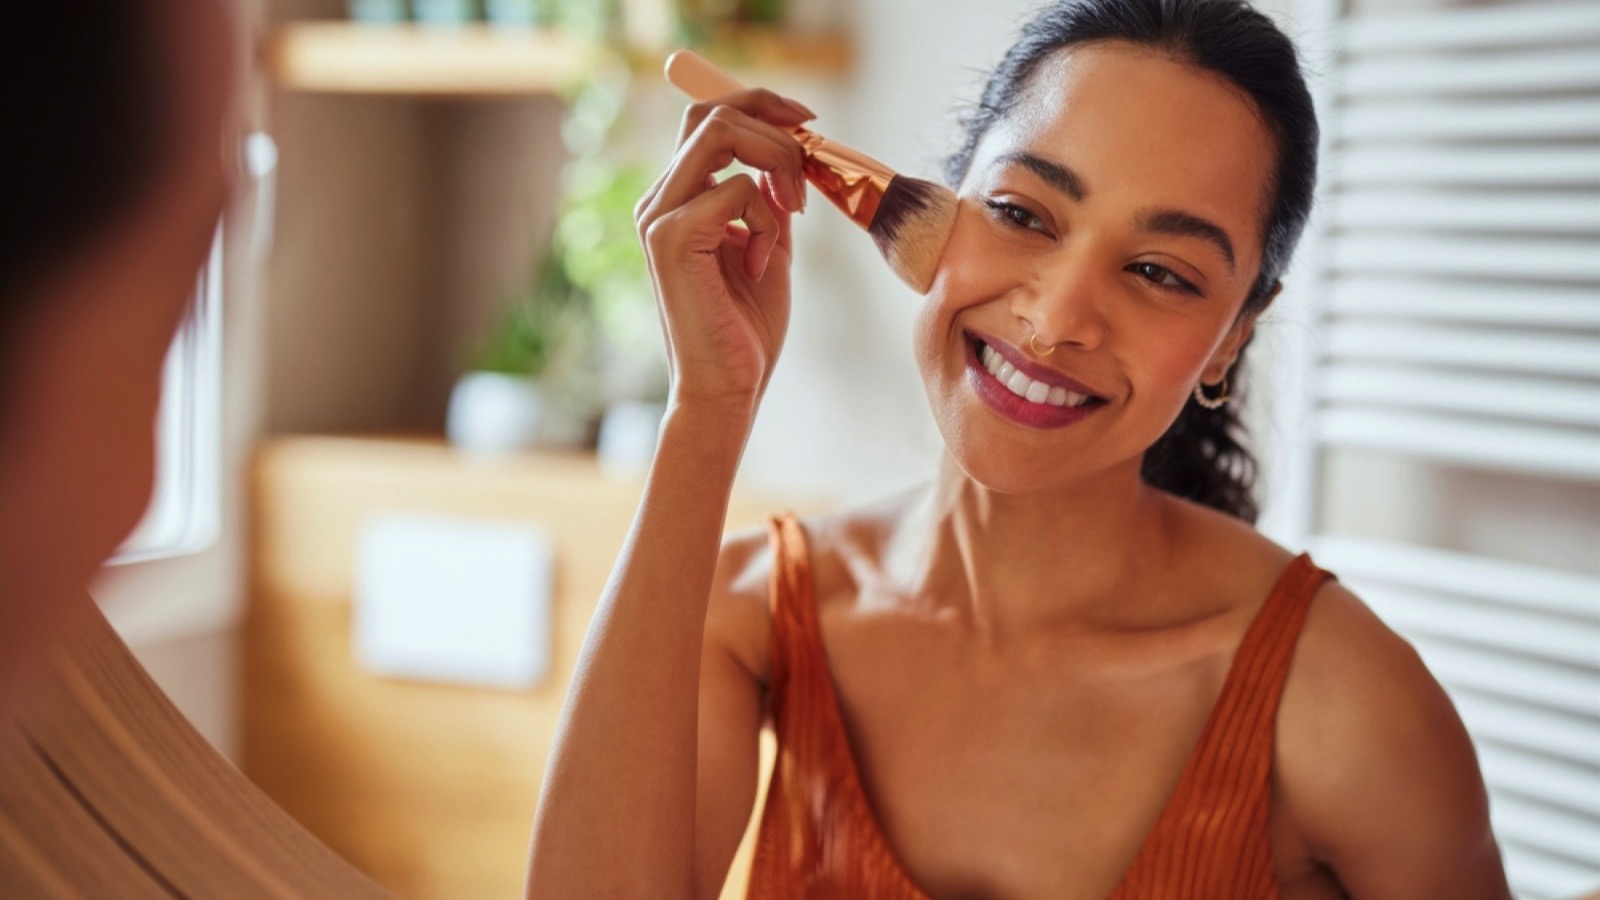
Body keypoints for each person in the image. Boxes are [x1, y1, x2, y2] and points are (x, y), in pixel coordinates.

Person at [525, 0, 1514, 897]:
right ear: (940, 209)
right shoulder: (748, 618)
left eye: (1161, 272)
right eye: (1019, 213)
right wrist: (708, 406)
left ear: (1232, 338)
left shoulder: (1345, 704)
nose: (1055, 319)